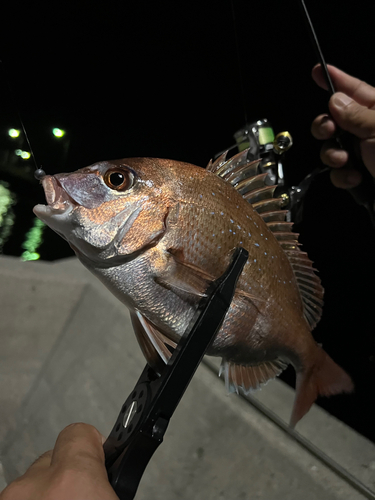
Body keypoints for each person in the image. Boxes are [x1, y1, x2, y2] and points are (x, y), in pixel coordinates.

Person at [1, 65, 375, 499]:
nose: (76, 187)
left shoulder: (164, 245)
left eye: (115, 181)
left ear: (161, 210)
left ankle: (310, 360)